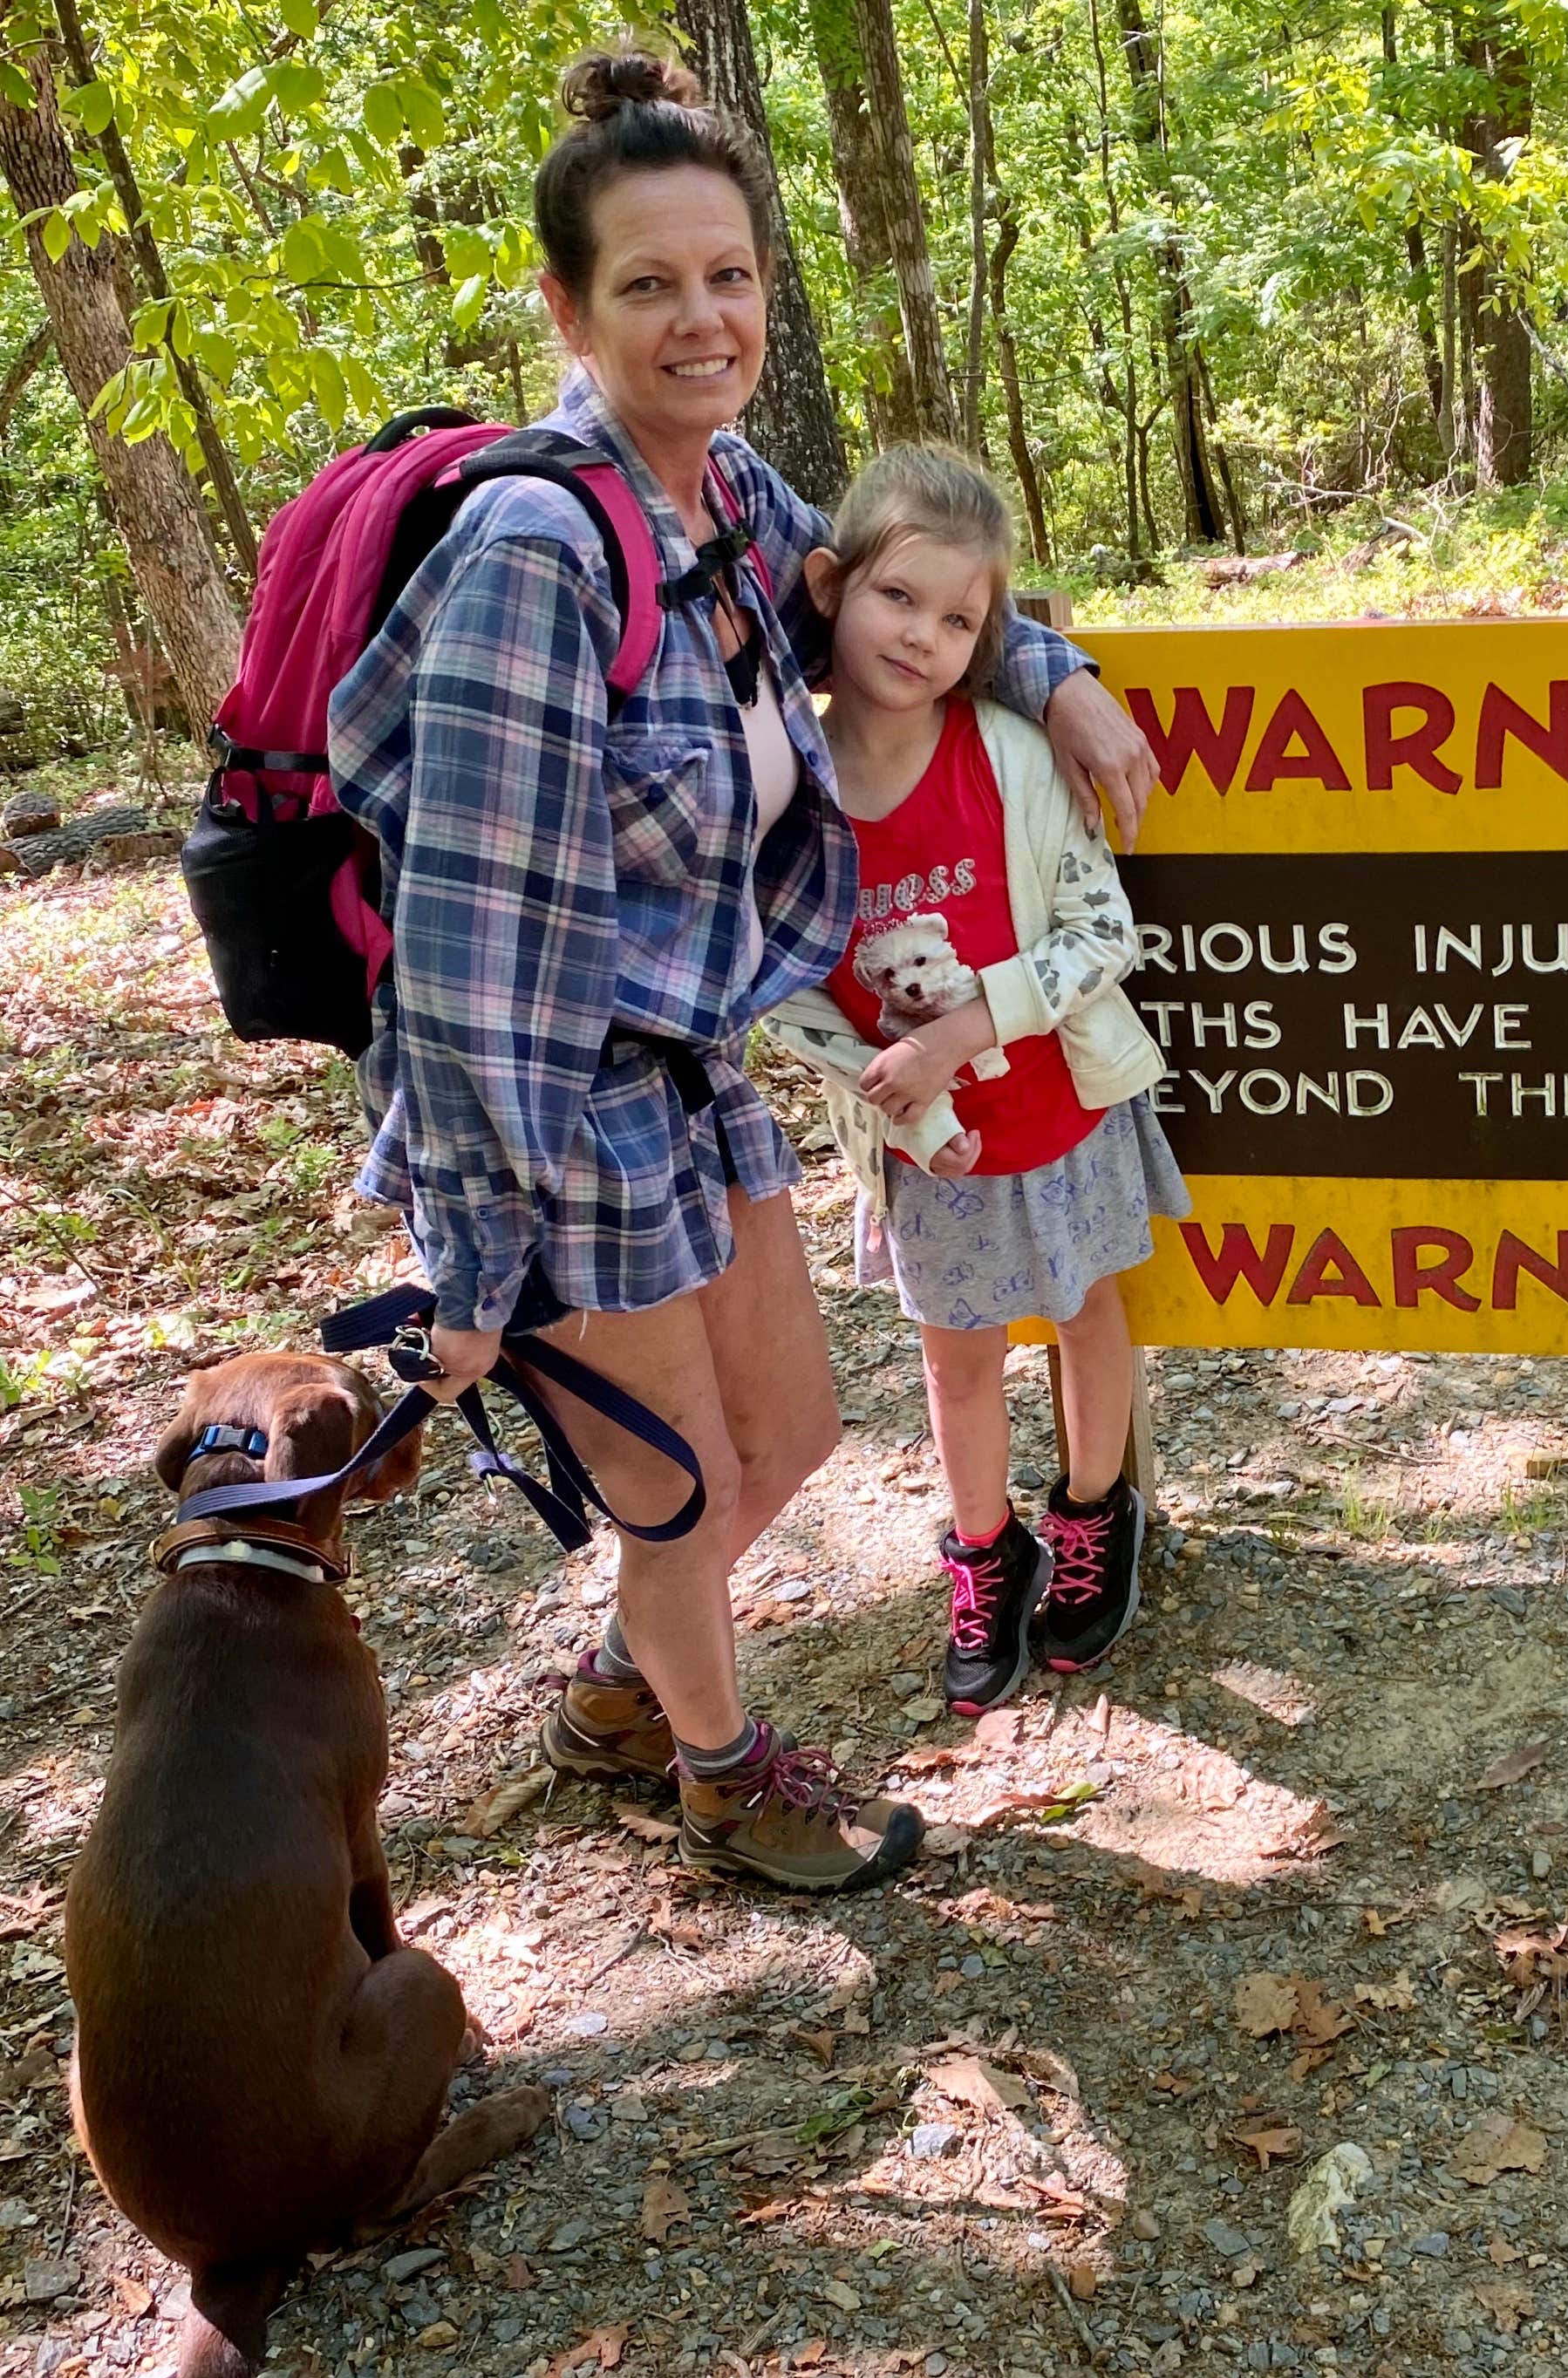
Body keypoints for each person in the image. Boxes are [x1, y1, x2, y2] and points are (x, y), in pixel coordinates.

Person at [325, 51, 1160, 1893]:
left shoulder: (722, 503)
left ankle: (627, 1693)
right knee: (681, 1481)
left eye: (731, 278)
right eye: (649, 284)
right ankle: (721, 1772)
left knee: (786, 1430)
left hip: (692, 1071)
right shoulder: (539, 552)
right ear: (566, 307)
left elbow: (904, 598)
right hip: (553, 1105)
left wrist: (1054, 663)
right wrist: (470, 1260)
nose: (704, 317)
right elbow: (467, 962)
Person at [762, 448, 1189, 1719]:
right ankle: (982, 1547)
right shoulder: (786, 785)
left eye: (959, 620)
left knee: (1089, 1317)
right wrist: (899, 1084)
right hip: (922, 1147)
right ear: (834, 587)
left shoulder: (1005, 751)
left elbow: (1104, 932)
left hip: (1061, 1113)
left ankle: (1092, 1514)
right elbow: (769, 988)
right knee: (955, 1361)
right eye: (901, 599)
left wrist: (968, 1030)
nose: (924, 636)